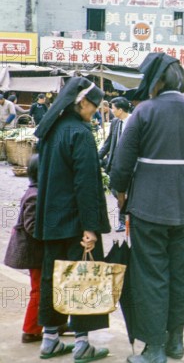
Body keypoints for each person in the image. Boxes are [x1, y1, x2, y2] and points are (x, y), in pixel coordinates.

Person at [110, 53, 184, 363]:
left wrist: (121, 197)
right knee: (180, 274)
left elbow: (121, 166)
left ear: (155, 82)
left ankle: (154, 349)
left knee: (151, 275)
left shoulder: (143, 113)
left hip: (148, 210)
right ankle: (176, 343)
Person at [34, 77, 111, 361]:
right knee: (83, 279)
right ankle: (81, 344)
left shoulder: (52, 131)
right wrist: (91, 227)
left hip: (52, 220)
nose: (96, 112)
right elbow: (87, 184)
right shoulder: (80, 133)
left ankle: (50, 339)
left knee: (52, 277)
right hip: (77, 220)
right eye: (95, 106)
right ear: (82, 103)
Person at [3, 154, 45, 343]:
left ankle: (52, 323)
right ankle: (31, 330)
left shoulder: (36, 192)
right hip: (34, 253)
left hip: (37, 252)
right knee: (39, 290)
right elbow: (32, 226)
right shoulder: (34, 196)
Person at [98, 97, 132, 232]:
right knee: (115, 190)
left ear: (120, 110)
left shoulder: (134, 122)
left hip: (130, 165)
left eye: (113, 108)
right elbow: (108, 142)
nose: (111, 110)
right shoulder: (115, 122)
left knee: (125, 192)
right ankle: (124, 215)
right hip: (115, 164)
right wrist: (96, 157)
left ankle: (123, 220)